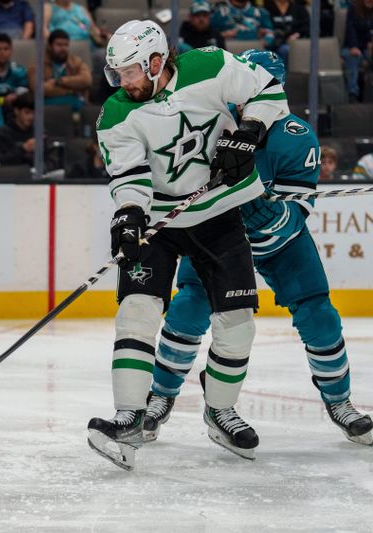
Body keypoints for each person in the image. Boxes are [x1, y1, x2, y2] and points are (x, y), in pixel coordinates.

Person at [144, 50, 373, 448]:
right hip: (217, 234)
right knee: (189, 307)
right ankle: (160, 397)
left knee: (319, 314)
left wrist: (268, 216)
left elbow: (296, 212)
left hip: (280, 244)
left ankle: (340, 401)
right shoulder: (210, 124)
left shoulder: (295, 137)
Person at [89, 20, 289, 470]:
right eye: (117, 74)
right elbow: (128, 175)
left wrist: (249, 130)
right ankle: (129, 416)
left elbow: (270, 90)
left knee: (237, 322)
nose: (123, 82)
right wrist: (129, 214)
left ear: (157, 62)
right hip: (160, 220)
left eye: (131, 72)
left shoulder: (211, 65)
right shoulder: (117, 113)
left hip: (219, 211)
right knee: (136, 309)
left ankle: (220, 410)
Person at [28, 29, 92, 112]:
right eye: (59, 45)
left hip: (75, 105)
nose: (63, 48)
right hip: (47, 106)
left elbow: (87, 80)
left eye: (66, 45)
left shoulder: (76, 62)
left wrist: (58, 81)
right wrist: (71, 89)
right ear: (50, 46)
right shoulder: (38, 64)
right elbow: (37, 89)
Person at [340, 0, 373, 102]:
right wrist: (354, 46)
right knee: (352, 57)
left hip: (369, 48)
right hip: (352, 46)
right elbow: (350, 30)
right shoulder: (353, 9)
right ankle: (353, 93)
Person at [0, 91, 36, 165]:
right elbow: (0, 161)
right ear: (16, 111)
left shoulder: (38, 131)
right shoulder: (3, 134)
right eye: (27, 112)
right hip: (11, 174)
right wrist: (23, 149)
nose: (31, 117)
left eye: (34, 113)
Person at [263, 0, 309, 67]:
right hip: (271, 43)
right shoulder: (266, 8)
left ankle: (285, 75)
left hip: (290, 43)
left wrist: (298, 34)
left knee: (286, 49)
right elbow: (264, 26)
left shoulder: (298, 8)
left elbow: (306, 26)